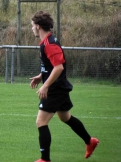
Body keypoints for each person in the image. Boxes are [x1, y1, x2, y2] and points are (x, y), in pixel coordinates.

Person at [29, 11, 99, 162]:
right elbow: (51, 65)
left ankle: (44, 159)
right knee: (65, 117)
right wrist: (41, 76)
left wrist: (45, 85)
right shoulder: (46, 42)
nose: (32, 29)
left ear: (38, 26)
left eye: (32, 26)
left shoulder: (49, 44)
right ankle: (89, 141)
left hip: (55, 89)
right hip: (59, 86)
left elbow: (59, 67)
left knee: (41, 122)